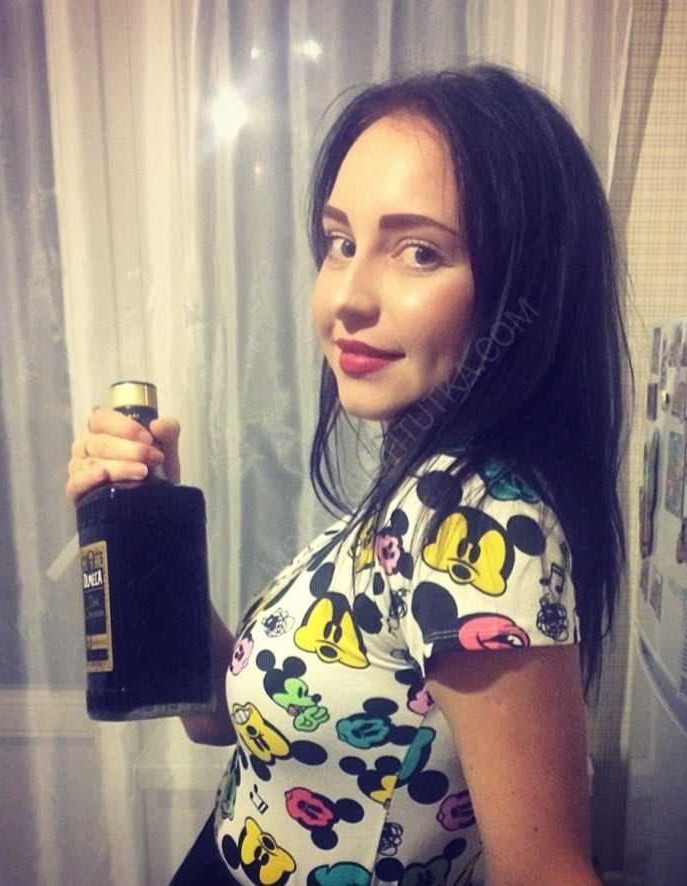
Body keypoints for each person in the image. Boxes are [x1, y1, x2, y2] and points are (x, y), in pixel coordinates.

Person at [66, 64, 629, 886]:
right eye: (340, 243)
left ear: (528, 287)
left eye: (419, 251)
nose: (348, 298)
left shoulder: (476, 520)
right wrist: (152, 536)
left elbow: (546, 873)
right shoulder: (417, 490)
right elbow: (218, 716)